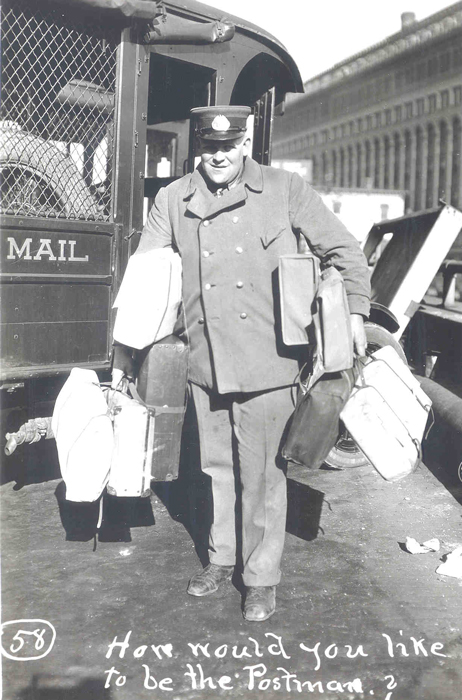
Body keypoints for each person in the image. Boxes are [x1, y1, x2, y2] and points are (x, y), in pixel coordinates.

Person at [115, 105, 371, 622]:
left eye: (228, 146)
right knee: (213, 472)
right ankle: (220, 560)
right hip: (205, 362)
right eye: (210, 147)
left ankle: (260, 579)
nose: (219, 156)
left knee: (262, 476)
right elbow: (143, 280)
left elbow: (344, 250)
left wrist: (357, 314)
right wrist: (125, 358)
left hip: (270, 361)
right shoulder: (173, 198)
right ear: (197, 148)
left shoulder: (284, 189)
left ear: (245, 143)